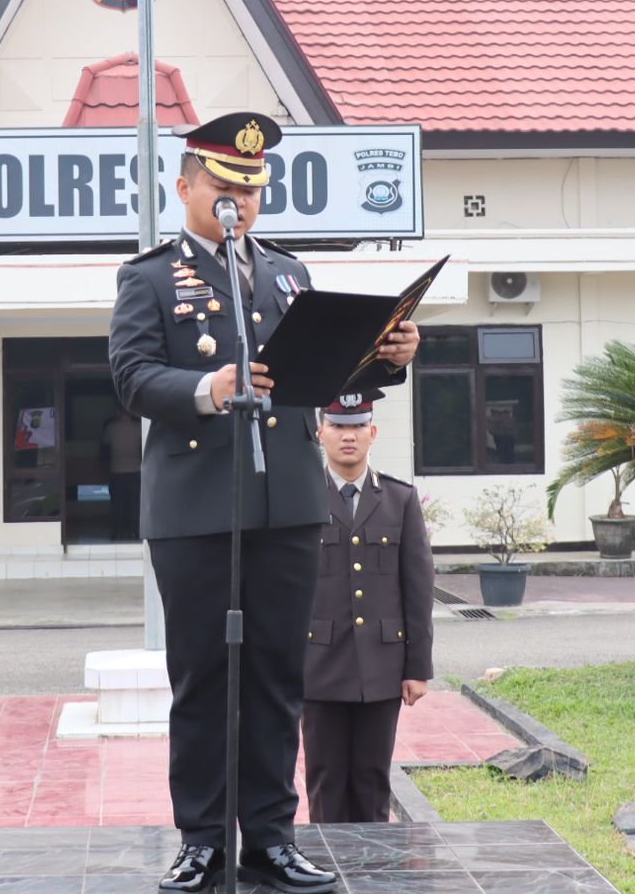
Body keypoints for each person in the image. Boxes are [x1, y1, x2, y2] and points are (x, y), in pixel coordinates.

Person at [109, 111, 420, 893]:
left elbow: (323, 376)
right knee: (204, 681)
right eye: (224, 187)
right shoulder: (150, 278)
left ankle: (273, 842)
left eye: (251, 190)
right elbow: (131, 377)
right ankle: (203, 844)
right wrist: (209, 388)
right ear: (185, 188)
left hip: (287, 504)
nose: (239, 202)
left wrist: (387, 357)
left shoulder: (288, 273)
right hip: (195, 511)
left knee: (280, 677)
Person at [301, 390, 435, 824]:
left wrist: (417, 667)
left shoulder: (399, 499)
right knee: (324, 781)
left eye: (358, 426)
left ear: (372, 433)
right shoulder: (300, 498)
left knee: (373, 781)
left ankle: (374, 862)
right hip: (317, 665)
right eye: (338, 426)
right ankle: (326, 860)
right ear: (320, 432)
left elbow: (417, 589)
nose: (348, 436)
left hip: (381, 666)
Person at [102, 406, 143, 541]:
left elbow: (105, 446)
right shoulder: (139, 427)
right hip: (136, 469)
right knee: (135, 502)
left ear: (118, 412)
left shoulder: (110, 428)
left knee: (117, 503)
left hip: (116, 469)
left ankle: (117, 531)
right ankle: (135, 531)